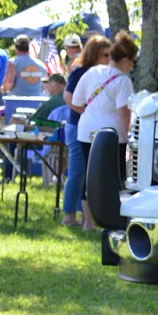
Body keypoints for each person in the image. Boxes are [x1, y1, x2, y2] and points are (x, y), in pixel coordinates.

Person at [73, 31, 137, 256]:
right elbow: (123, 114)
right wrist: (129, 138)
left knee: (89, 175)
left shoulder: (92, 72)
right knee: (116, 177)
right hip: (112, 135)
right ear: (127, 60)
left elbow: (76, 101)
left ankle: (87, 221)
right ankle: (114, 219)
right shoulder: (123, 81)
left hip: (86, 129)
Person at [61, 33, 110, 228]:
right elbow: (67, 95)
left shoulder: (102, 72)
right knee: (77, 172)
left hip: (92, 128)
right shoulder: (81, 71)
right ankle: (69, 215)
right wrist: (83, 110)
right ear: (95, 54)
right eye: (104, 54)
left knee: (88, 173)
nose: (108, 58)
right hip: (76, 126)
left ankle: (86, 217)